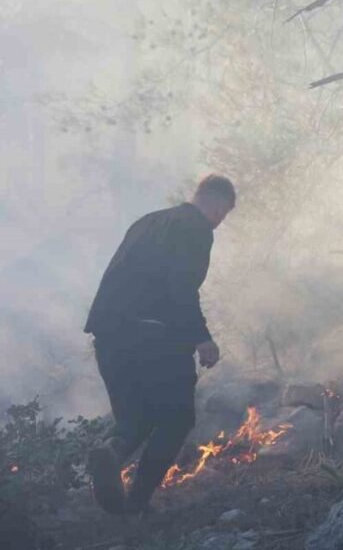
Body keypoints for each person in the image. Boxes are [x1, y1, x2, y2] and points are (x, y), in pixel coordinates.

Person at [84, 175, 235, 515]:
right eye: (223, 215)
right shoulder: (195, 228)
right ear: (216, 203)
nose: (220, 222)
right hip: (155, 337)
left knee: (133, 417)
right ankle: (137, 505)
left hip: (109, 337)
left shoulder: (146, 222)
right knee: (177, 418)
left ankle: (112, 452)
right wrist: (202, 337)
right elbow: (181, 286)